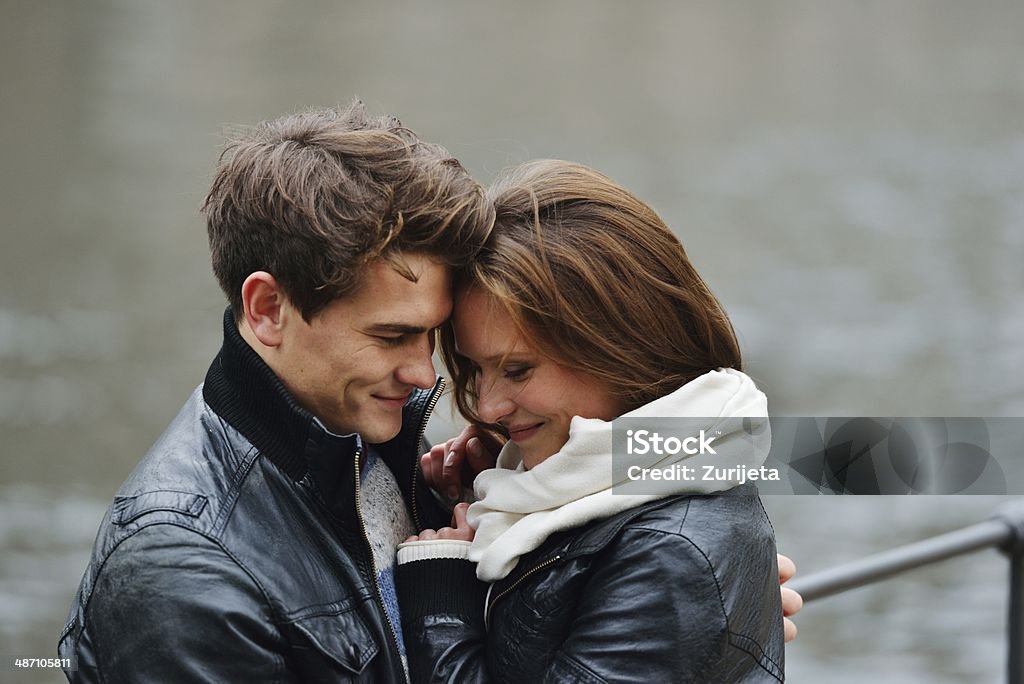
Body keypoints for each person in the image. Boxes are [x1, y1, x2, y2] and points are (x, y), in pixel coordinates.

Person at [57, 101, 495, 682]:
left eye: (432, 334)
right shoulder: (182, 572)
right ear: (267, 309)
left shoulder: (375, 438)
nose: (424, 374)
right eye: (392, 335)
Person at [394, 160, 788, 682]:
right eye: (474, 368)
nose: (486, 408)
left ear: (620, 346)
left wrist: (438, 598)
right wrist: (465, 501)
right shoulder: (629, 476)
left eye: (517, 369)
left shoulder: (670, 555)